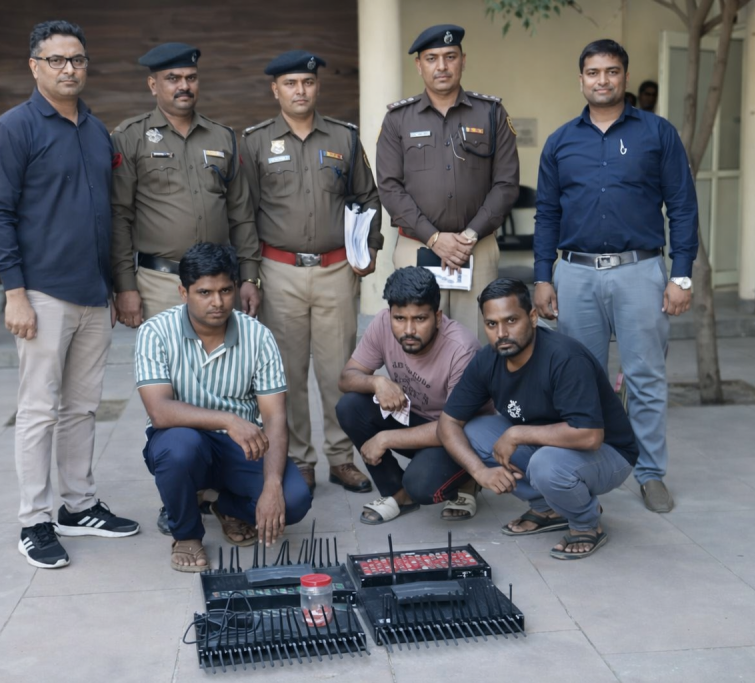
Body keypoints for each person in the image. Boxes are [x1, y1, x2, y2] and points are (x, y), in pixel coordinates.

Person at [0, 20, 140, 569]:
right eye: (56, 60)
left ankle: (79, 505)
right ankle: (35, 521)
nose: (68, 68)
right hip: (42, 293)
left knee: (82, 408)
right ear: (34, 66)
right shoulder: (13, 129)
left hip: (93, 294)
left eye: (76, 59)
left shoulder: (95, 131)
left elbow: (109, 216)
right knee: (38, 410)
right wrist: (14, 293)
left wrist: (117, 286)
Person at [532, 39, 698, 513]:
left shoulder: (657, 133)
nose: (602, 80)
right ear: (581, 79)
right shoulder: (561, 142)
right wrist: (543, 276)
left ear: (624, 76)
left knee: (645, 377)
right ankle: (581, 468)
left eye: (611, 71)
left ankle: (650, 473)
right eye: (593, 72)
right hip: (576, 273)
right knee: (577, 380)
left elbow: (683, 206)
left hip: (639, 271)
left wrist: (681, 275)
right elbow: (547, 213)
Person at [241, 50, 382, 494]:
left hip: (336, 269)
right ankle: (299, 458)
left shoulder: (343, 137)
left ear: (317, 86)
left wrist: (370, 247)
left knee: (338, 370)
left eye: (307, 82)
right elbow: (243, 212)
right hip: (278, 271)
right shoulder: (255, 142)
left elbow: (368, 196)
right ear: (275, 90)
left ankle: (341, 458)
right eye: (290, 84)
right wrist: (248, 274)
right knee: (287, 374)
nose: (299, 91)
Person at [135, 243, 312, 572]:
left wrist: (272, 486)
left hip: (242, 446)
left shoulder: (258, 337)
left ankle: (224, 505)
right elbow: (159, 411)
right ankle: (187, 534)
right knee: (179, 447)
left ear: (236, 288)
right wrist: (229, 420)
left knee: (295, 501)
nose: (217, 302)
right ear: (183, 293)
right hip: (185, 441)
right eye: (204, 292)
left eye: (225, 290)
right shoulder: (155, 333)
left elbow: (274, 417)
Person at [437, 279, 639, 560]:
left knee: (546, 465)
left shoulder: (565, 358)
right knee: (474, 431)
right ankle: (548, 508)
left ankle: (586, 523)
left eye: (511, 320)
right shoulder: (487, 360)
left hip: (609, 453)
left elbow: (590, 435)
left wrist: (516, 434)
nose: (502, 333)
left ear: (532, 317)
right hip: (549, 446)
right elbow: (448, 423)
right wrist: (478, 472)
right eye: (492, 324)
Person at [376, 24, 520, 342]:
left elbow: (507, 183)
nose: (441, 66)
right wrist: (434, 238)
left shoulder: (491, 113)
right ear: (419, 65)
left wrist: (469, 235)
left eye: (450, 57)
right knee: (418, 343)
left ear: (463, 61)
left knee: (476, 343)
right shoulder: (398, 119)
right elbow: (389, 187)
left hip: (477, 247)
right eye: (432, 58)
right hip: (417, 247)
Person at [111, 42, 262, 325]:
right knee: (166, 355)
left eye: (191, 78)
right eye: (173, 78)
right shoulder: (130, 136)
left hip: (219, 282)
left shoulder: (222, 137)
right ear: (153, 85)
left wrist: (250, 277)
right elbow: (119, 216)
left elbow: (241, 215)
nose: (184, 86)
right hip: (160, 283)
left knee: (222, 354)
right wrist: (125, 285)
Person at [336, 267, 484, 524]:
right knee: (349, 406)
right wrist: (377, 382)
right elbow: (346, 378)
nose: (409, 329)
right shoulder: (382, 323)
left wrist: (384, 438)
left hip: (459, 434)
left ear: (438, 317)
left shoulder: (462, 348)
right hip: (417, 421)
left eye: (420, 319)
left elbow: (452, 427)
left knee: (422, 485)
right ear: (390, 314)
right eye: (399, 318)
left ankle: (467, 479)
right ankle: (398, 494)